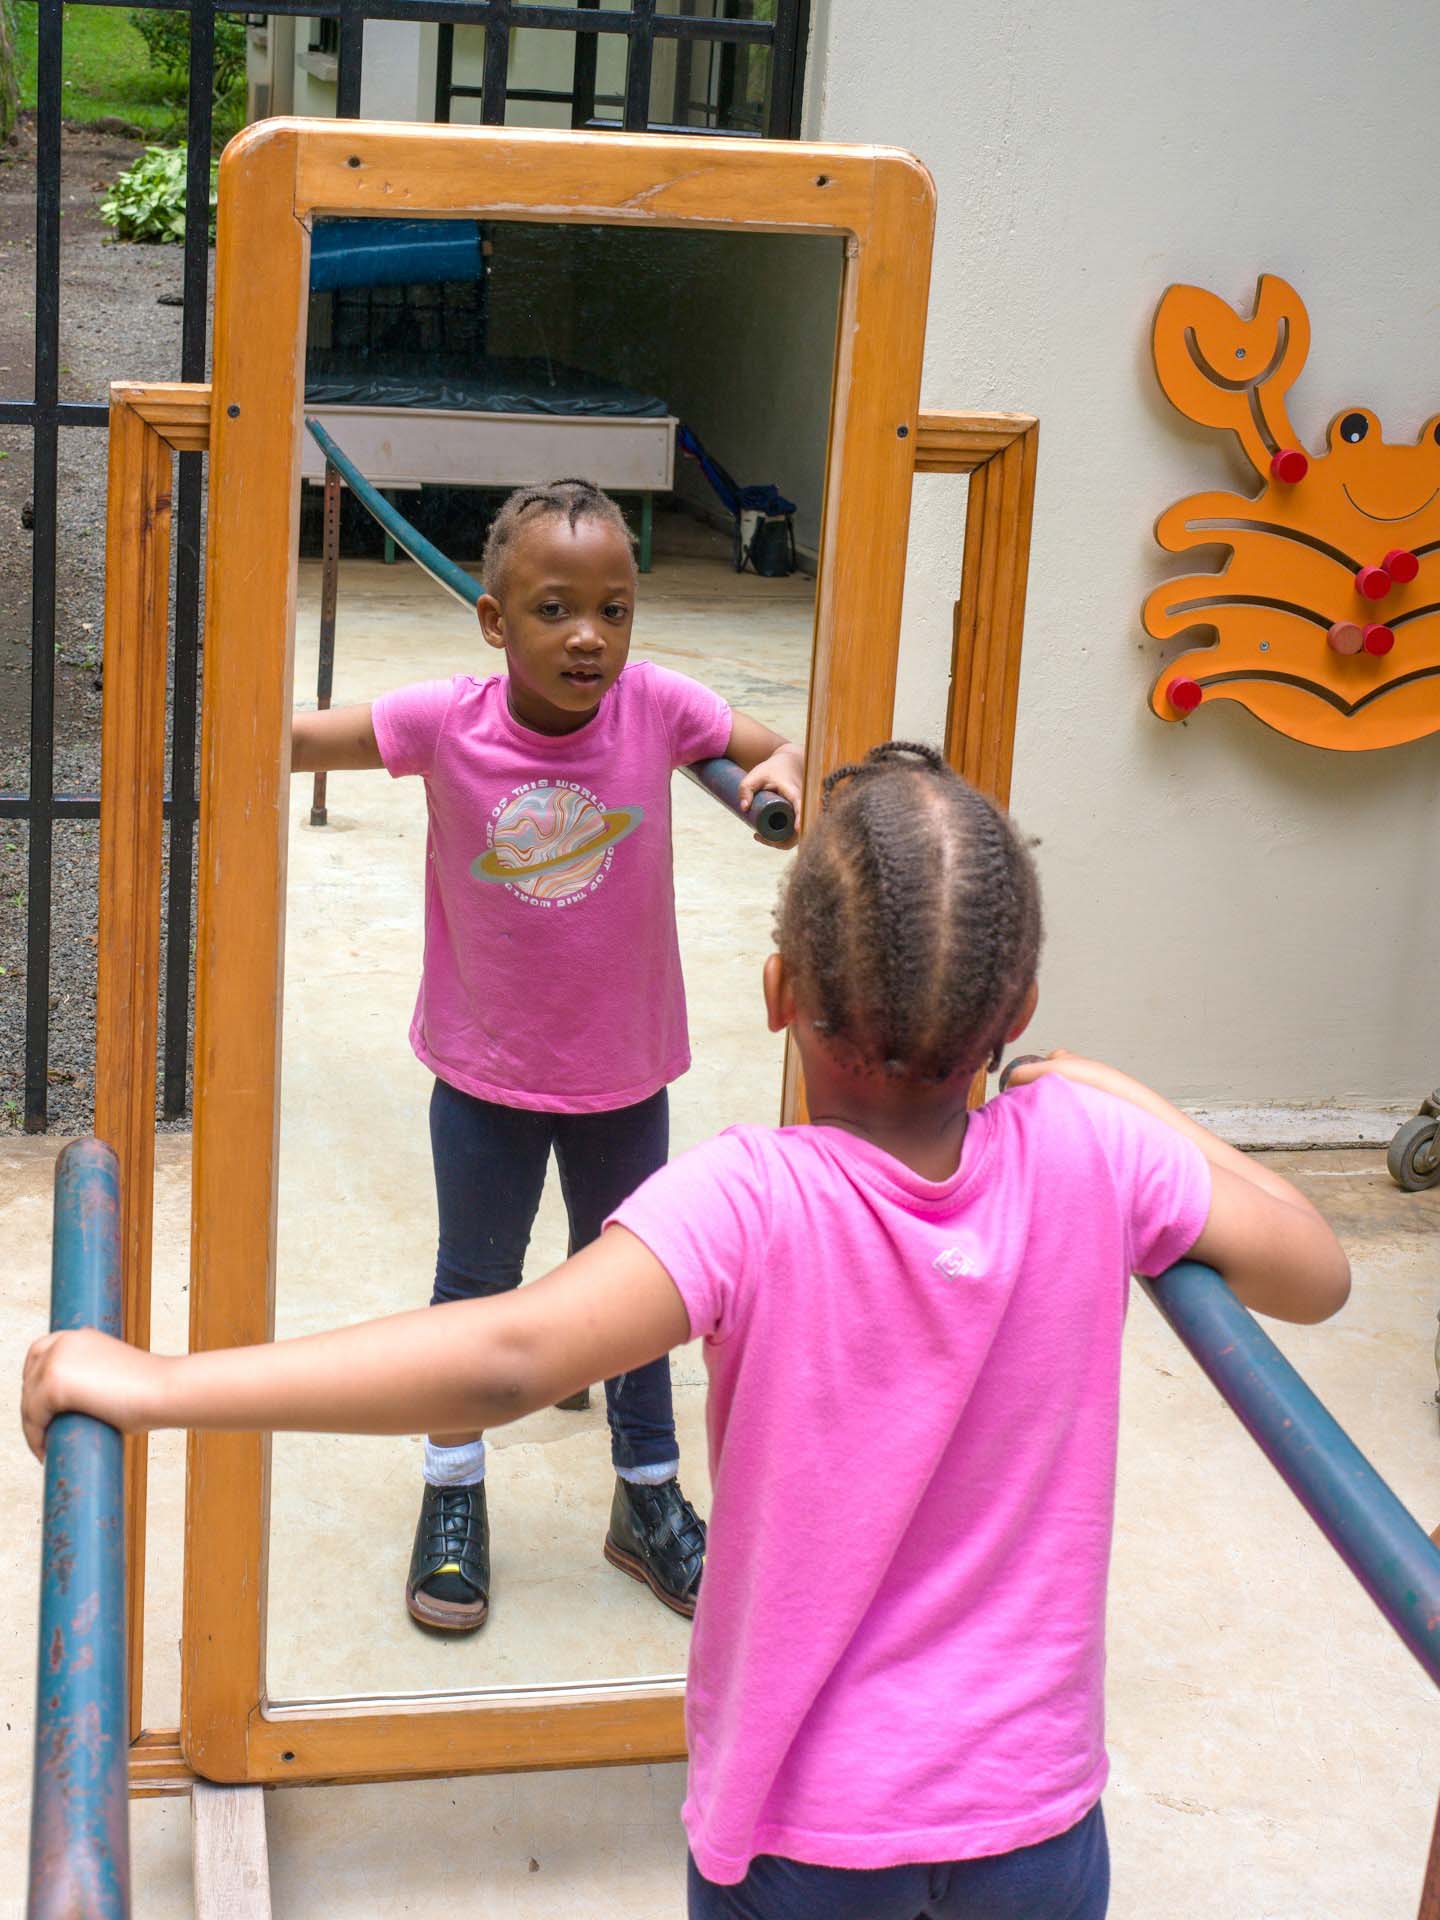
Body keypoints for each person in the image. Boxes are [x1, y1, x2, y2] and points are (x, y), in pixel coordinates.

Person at [23, 743, 1350, 1919]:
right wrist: (1116, 1090)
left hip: (810, 1839)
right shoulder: (1093, 1147)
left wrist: (159, 1384)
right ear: (1018, 1012)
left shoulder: (752, 1200)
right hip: (1039, 1833)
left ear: (778, 992)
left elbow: (504, 1356)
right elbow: (1315, 1269)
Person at [286, 477, 805, 1632]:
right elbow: (311, 738)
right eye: (555, 609)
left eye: (613, 611)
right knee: (474, 1286)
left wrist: (785, 771)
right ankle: (452, 1488)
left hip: (625, 1075)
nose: (588, 637)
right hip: (486, 1077)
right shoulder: (446, 723)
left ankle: (646, 1494)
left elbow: (776, 752)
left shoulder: (656, 708)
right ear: (494, 620)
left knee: (637, 1292)